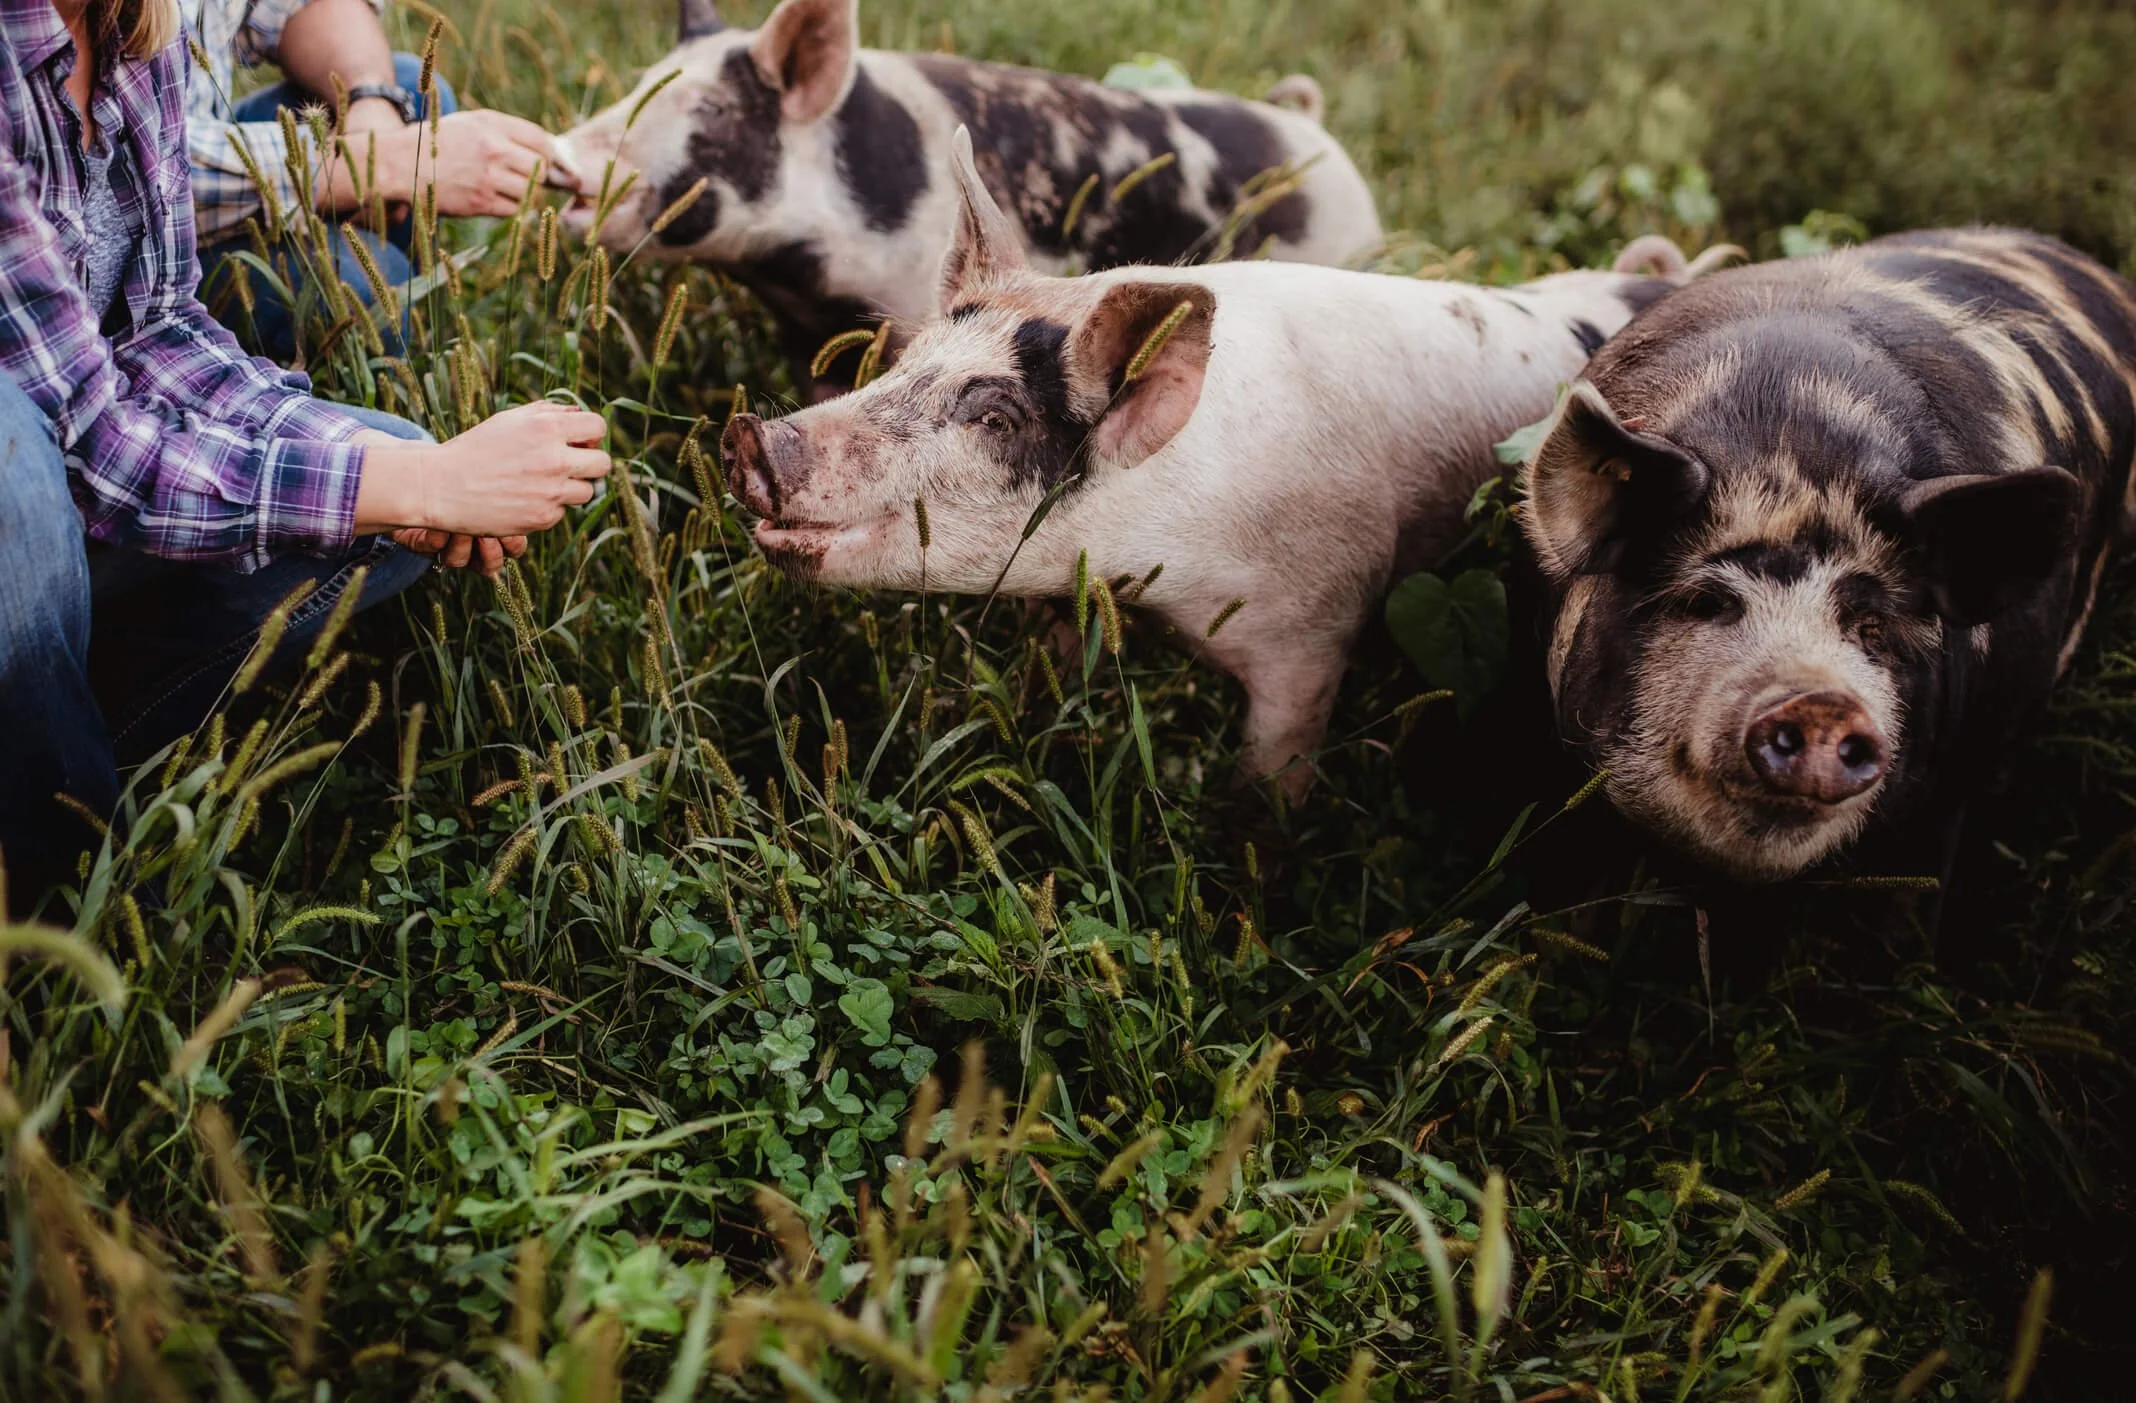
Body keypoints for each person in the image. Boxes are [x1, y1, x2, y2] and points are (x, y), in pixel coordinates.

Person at [1, 0, 609, 916]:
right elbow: (92, 441)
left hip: (72, 462)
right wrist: (417, 482)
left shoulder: (130, 24)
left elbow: (162, 326)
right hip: (26, 462)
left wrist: (407, 473)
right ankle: (52, 879)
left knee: (389, 483)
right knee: (12, 463)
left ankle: (73, 740)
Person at [185, 0, 564, 358]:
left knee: (417, 94)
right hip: (147, 258)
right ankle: (360, 368)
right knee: (366, 288)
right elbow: (139, 179)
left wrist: (370, 100)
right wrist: (381, 164)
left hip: (212, 150)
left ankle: (394, 352)